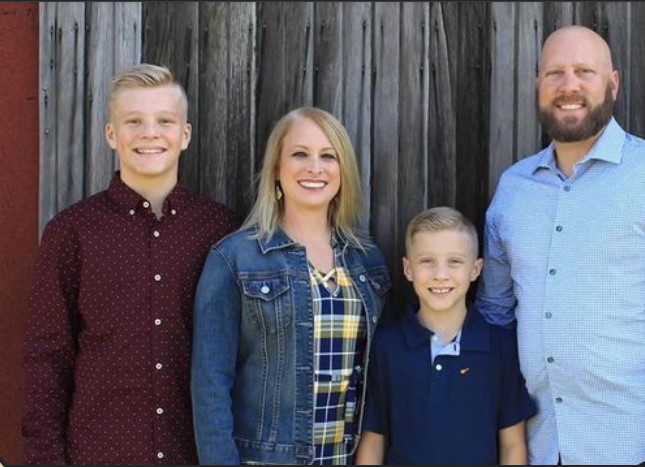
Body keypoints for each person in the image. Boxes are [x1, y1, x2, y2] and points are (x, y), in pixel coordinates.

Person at [476, 25, 645, 465]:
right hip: (538, 444)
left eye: (583, 72)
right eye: (555, 73)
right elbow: (495, 315)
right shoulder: (513, 189)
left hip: (638, 445)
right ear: (537, 83)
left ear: (613, 83)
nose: (568, 86)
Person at [21, 64, 238, 464]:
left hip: (194, 455)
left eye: (164, 121)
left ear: (185, 135)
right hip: (101, 454)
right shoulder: (72, 232)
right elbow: (47, 358)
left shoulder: (221, 231)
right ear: (111, 134)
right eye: (133, 121)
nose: (150, 133)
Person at [190, 107, 390, 465]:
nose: (315, 167)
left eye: (328, 156)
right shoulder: (235, 258)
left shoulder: (366, 260)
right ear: (276, 169)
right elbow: (210, 385)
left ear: (342, 170)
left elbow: (381, 377)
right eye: (300, 154)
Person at [355, 206, 536, 465]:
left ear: (475, 269)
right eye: (427, 261)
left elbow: (512, 445)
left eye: (455, 262)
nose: (441, 275)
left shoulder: (499, 347)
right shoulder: (388, 345)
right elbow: (373, 442)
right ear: (408, 269)